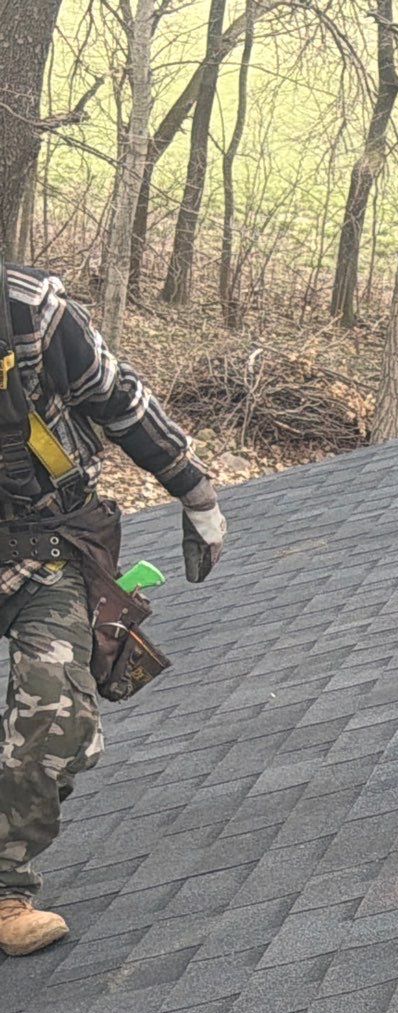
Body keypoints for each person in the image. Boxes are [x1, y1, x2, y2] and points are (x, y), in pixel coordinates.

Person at [0, 263, 227, 956]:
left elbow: (118, 397)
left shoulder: (26, 311)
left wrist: (195, 493)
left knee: (56, 714)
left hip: (47, 542)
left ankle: (4, 888)